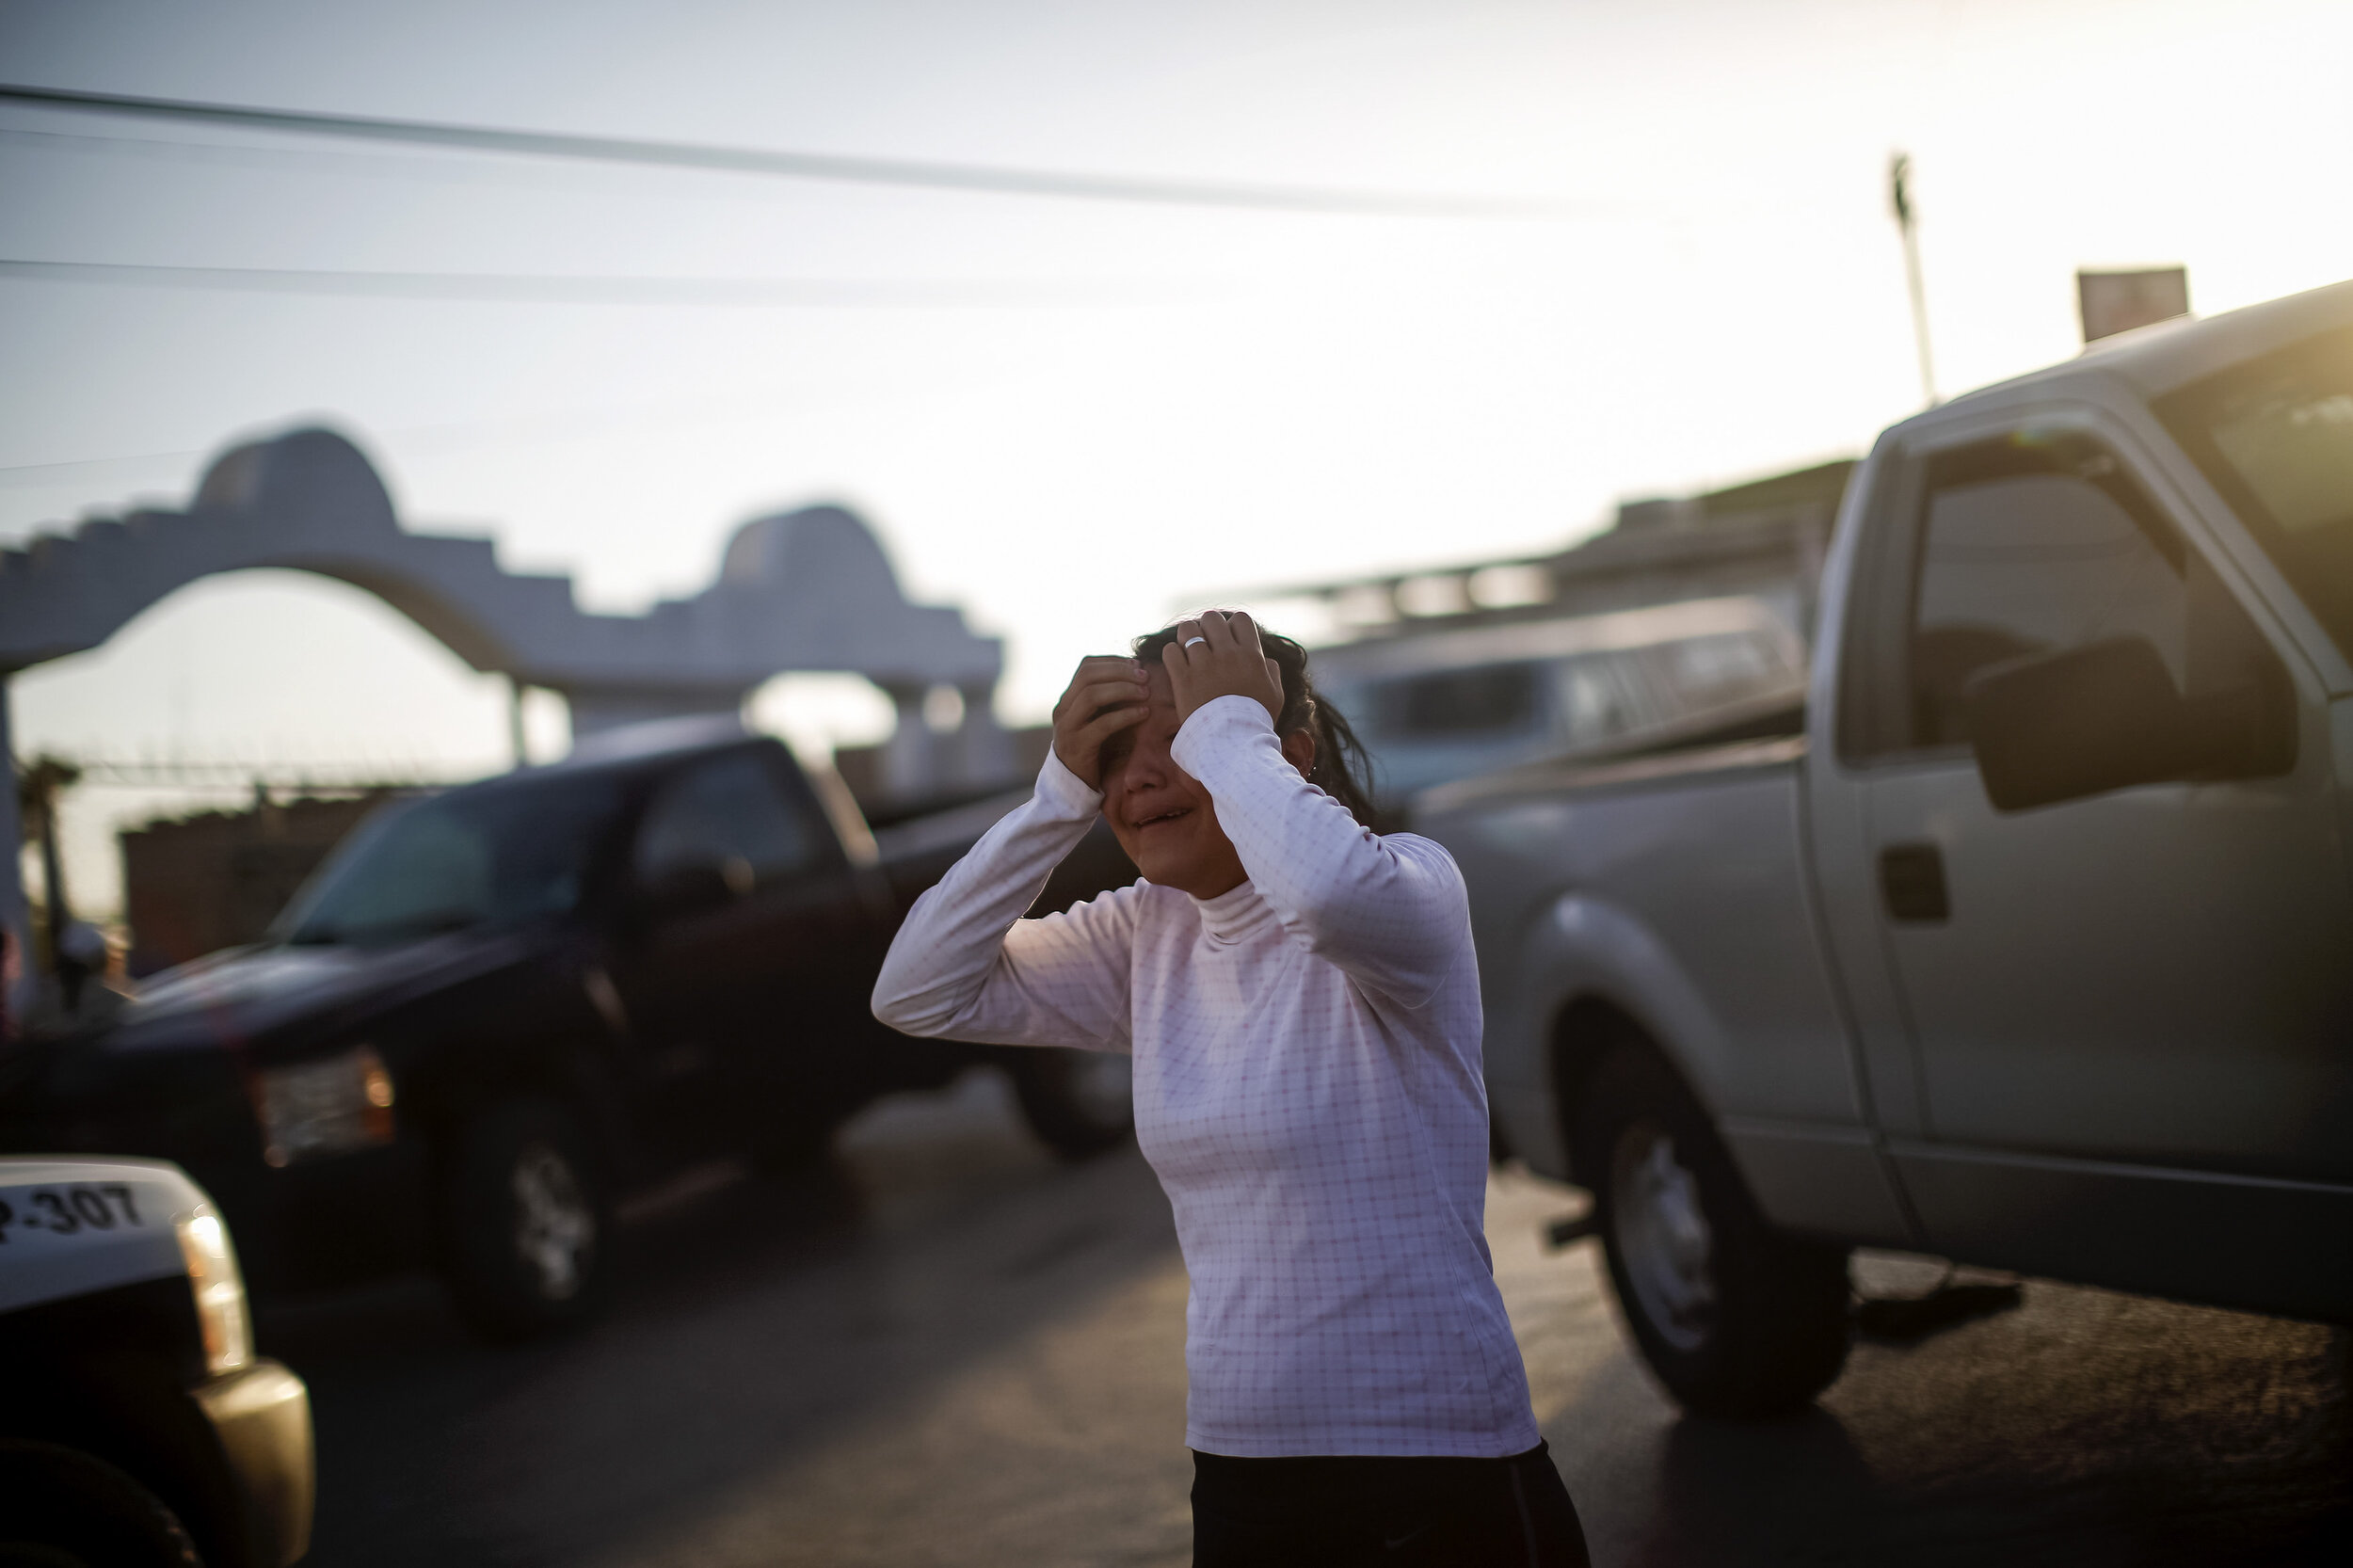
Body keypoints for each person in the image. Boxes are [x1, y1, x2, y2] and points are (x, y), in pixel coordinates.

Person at [872, 609, 1589, 1567]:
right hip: (1245, 1472)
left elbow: (1325, 895)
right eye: (1115, 753)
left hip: (1435, 1464)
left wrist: (1231, 730)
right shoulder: (1143, 936)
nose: (1138, 778)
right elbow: (914, 990)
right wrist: (1053, 796)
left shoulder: (1406, 891)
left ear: (1273, 752)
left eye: (1187, 739)